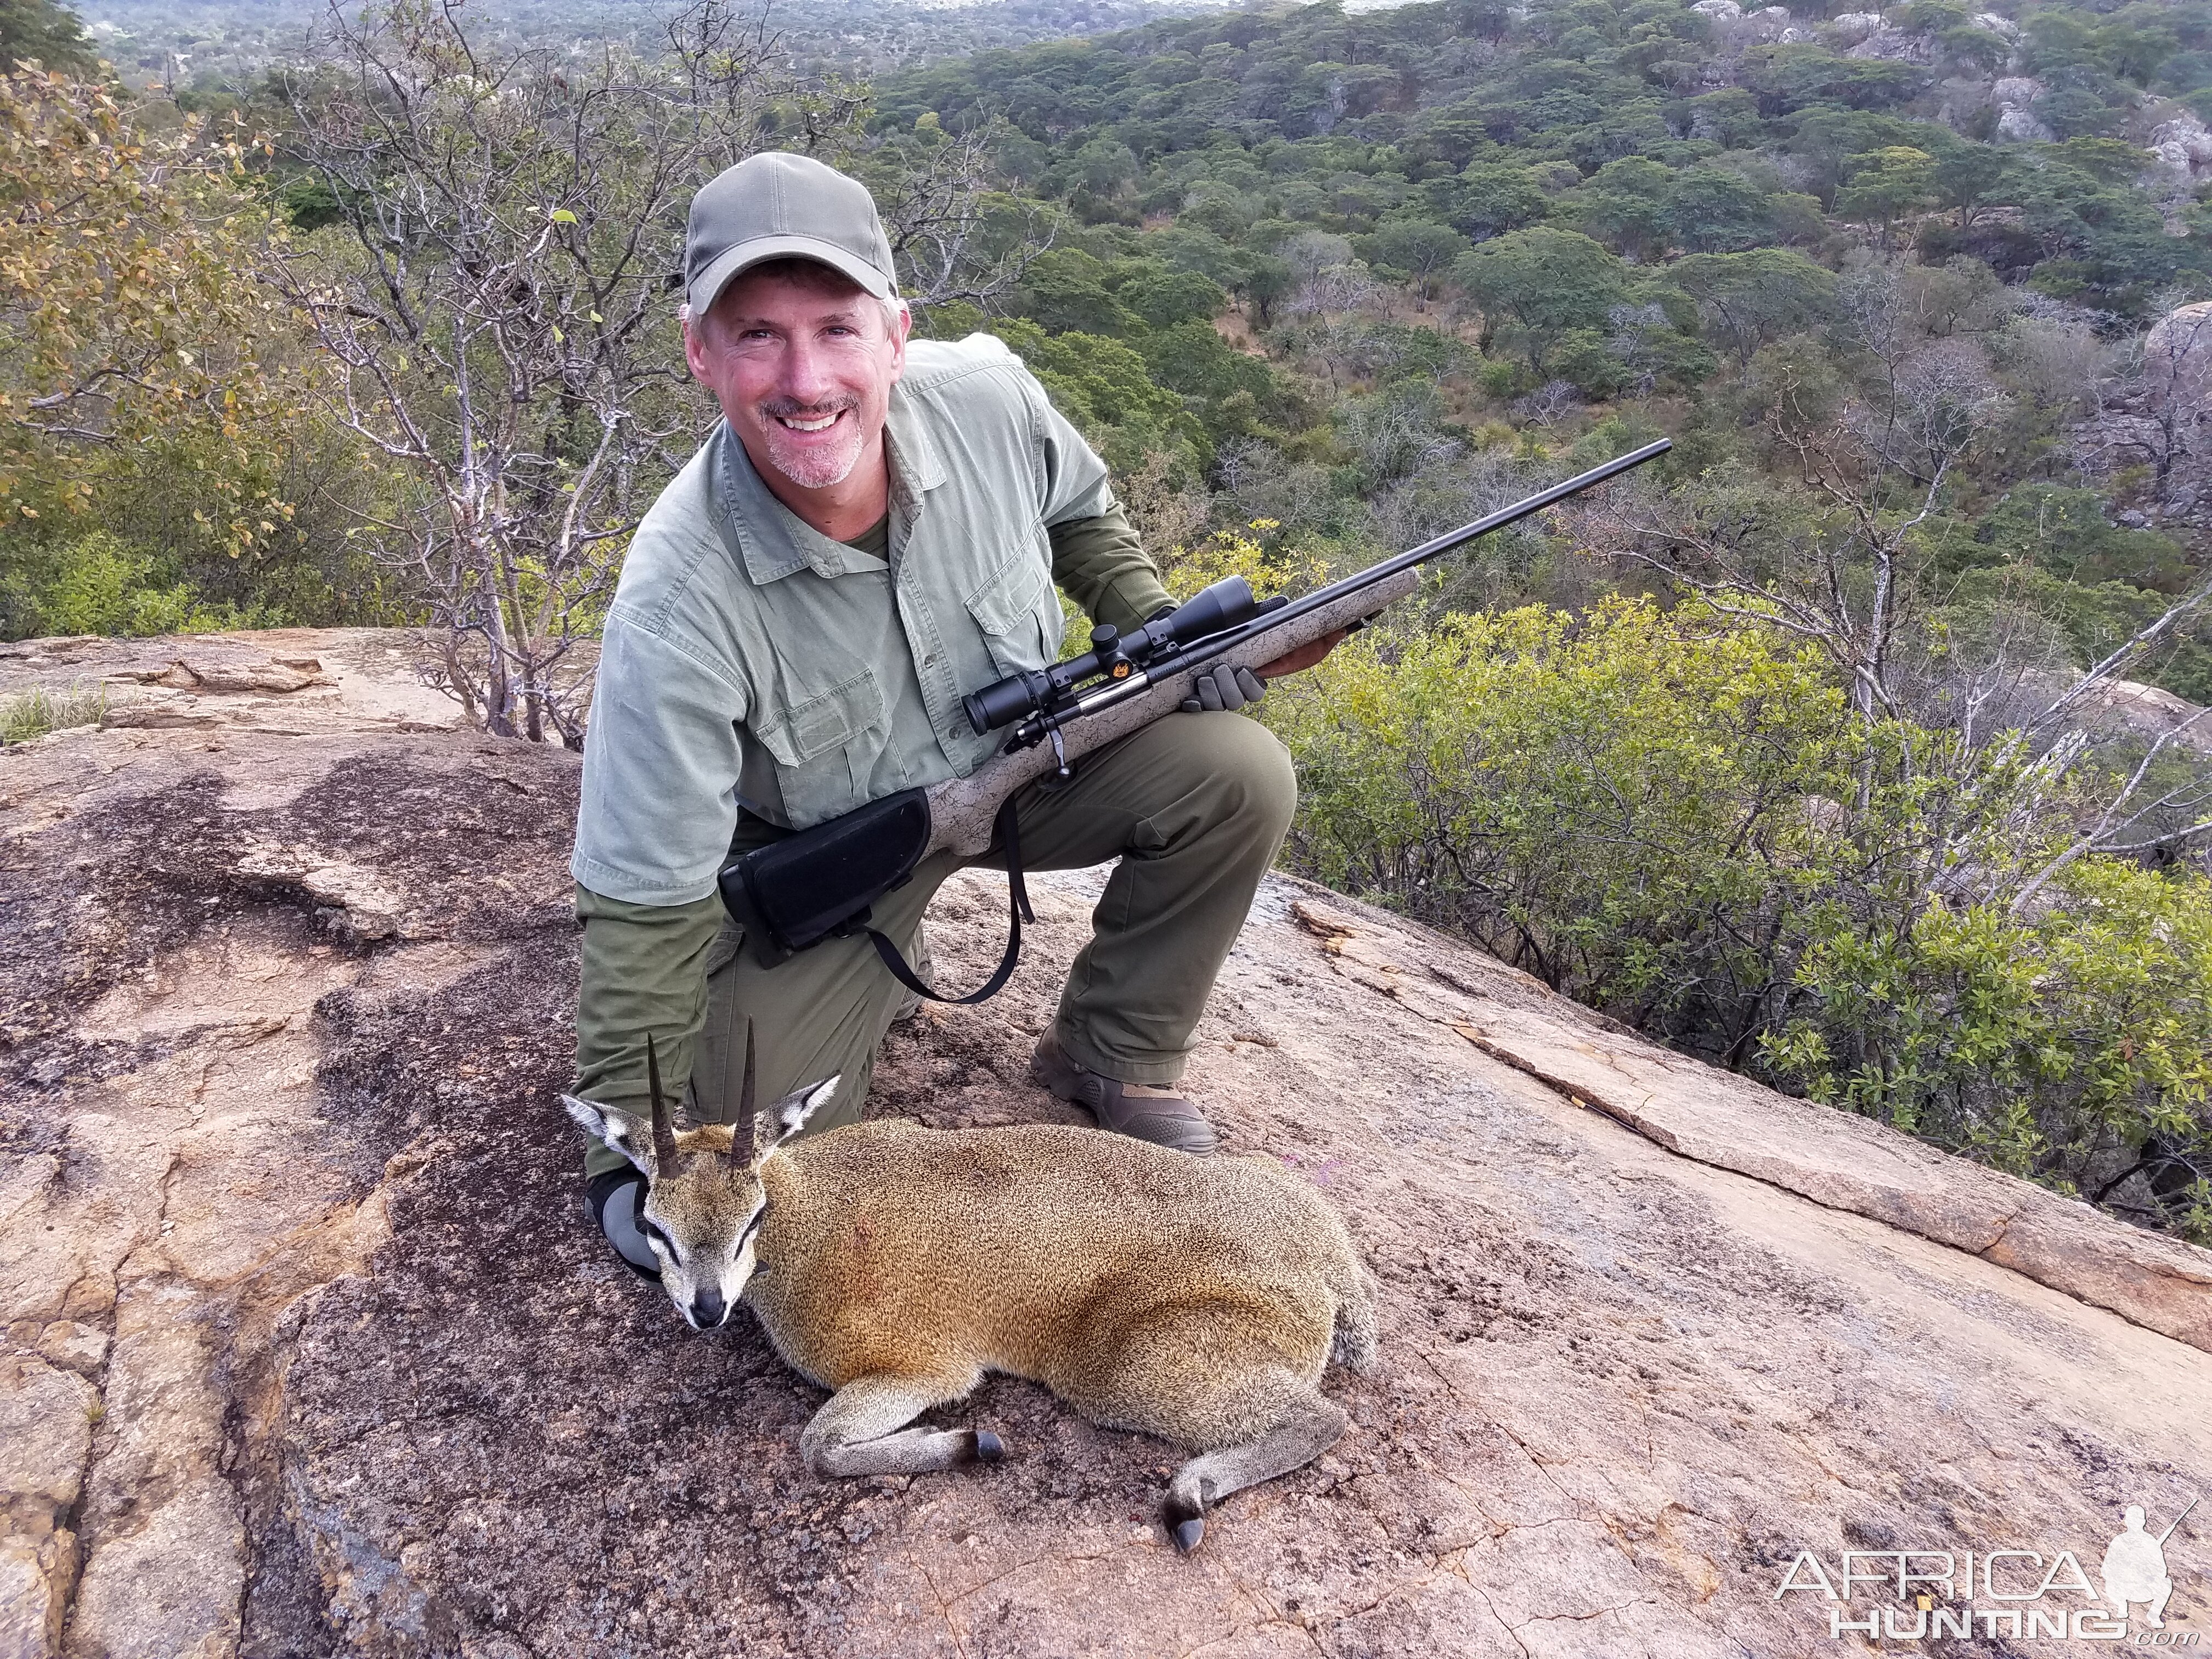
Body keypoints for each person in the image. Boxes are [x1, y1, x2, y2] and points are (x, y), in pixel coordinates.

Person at [567, 152, 1337, 1277]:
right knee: (778, 1205)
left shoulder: (989, 398)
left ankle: (1112, 1053)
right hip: (838, 863)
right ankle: (869, 975)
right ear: (699, 353)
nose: (805, 377)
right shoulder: (677, 603)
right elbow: (645, 906)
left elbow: (1082, 513)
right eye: (757, 335)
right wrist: (620, 1167)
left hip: (1028, 772)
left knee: (1238, 773)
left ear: (894, 334)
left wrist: (1168, 634)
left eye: (836, 329)